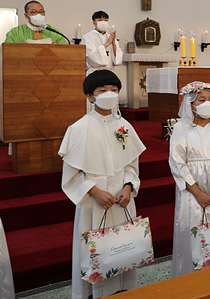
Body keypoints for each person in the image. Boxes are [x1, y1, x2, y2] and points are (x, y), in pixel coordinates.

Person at [58, 70, 146, 299]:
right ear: (90, 96)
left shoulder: (124, 126)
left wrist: (128, 187)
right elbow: (71, 175)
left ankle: (125, 291)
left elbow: (132, 165)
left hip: (122, 199)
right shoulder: (78, 129)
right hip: (93, 202)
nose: (109, 94)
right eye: (103, 90)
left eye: (114, 90)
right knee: (96, 253)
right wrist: (95, 191)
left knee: (124, 249)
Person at [169, 81, 210, 277]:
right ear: (191, 104)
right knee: (193, 231)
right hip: (193, 191)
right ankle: (191, 277)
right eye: (201, 100)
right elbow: (177, 162)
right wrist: (197, 192)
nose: (208, 103)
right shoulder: (181, 128)